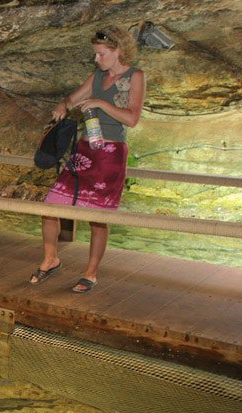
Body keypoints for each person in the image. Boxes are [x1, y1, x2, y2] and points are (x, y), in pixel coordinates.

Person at [28, 26, 145, 293]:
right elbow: (72, 98)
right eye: (95, 53)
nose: (96, 59)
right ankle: (50, 259)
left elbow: (132, 118)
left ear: (118, 51)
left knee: (97, 217)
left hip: (111, 153)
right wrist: (63, 104)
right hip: (84, 151)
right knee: (51, 206)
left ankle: (90, 273)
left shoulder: (135, 76)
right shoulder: (97, 76)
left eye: (101, 54)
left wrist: (101, 104)